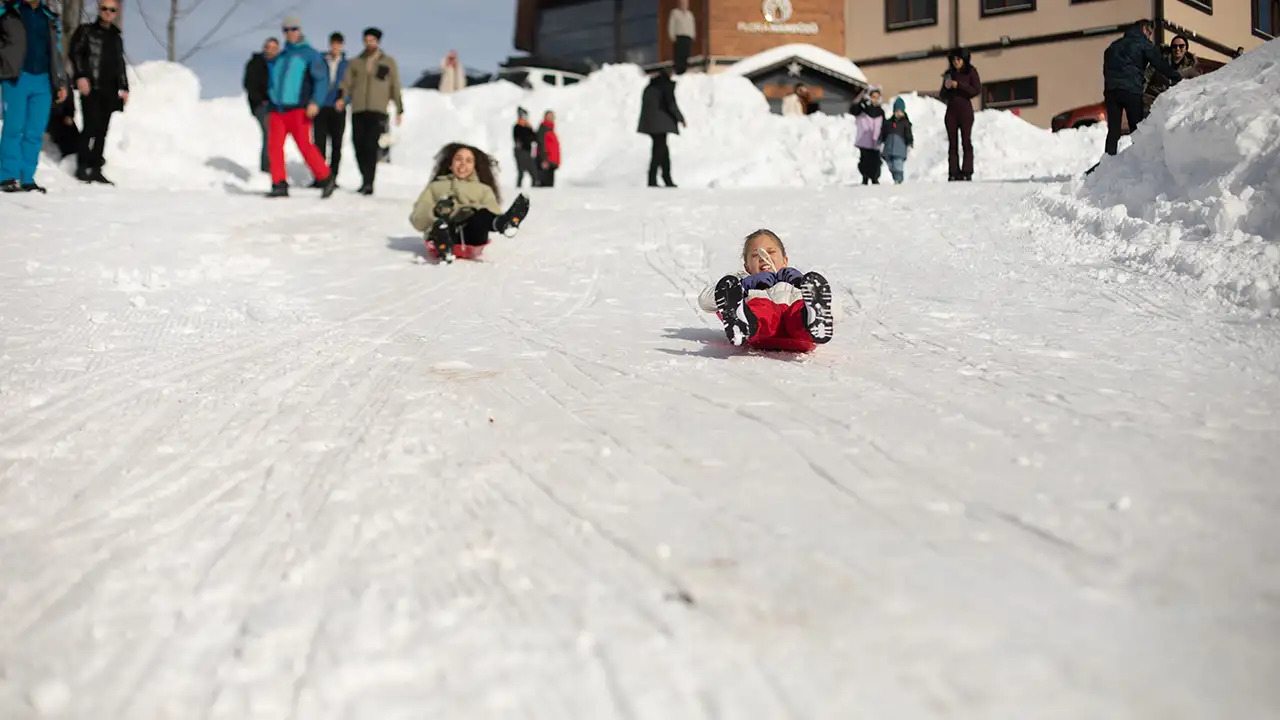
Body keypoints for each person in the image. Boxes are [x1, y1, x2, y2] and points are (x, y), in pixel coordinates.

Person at [698, 229, 834, 349]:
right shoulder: (743, 282)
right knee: (761, 307)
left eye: (770, 252)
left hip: (798, 327)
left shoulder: (799, 282)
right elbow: (705, 301)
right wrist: (743, 285)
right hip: (762, 330)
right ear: (746, 267)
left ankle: (812, 322)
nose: (763, 258)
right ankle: (743, 324)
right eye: (755, 255)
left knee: (799, 310)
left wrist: (802, 284)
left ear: (785, 260)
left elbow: (833, 308)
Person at [408, 143, 530, 263]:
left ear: (474, 166)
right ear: (450, 164)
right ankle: (443, 241)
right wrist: (435, 218)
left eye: (468, 161)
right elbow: (420, 213)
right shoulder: (435, 187)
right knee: (443, 220)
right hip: (444, 231)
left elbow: (493, 211)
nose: (463, 164)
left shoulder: (483, 190)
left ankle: (505, 224)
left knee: (482, 214)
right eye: (458, 159)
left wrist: (472, 210)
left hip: (472, 235)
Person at [0, 0, 69, 193]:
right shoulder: (8, 13)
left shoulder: (49, 17)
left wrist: (60, 82)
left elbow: (57, 51)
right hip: (16, 78)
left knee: (34, 132)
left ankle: (27, 178)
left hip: (43, 81)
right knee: (13, 128)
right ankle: (7, 176)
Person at [265, 14, 334, 198]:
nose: (290, 33)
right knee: (274, 147)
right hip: (277, 109)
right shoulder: (281, 57)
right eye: (286, 30)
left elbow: (321, 80)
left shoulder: (310, 54)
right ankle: (279, 184)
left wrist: (316, 102)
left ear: (300, 30)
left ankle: (326, 177)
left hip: (298, 109)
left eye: (293, 29)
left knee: (305, 145)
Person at [1099, 20, 1181, 160]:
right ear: (1144, 29)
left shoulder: (1114, 46)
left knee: (1114, 131)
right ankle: (1139, 160)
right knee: (1136, 129)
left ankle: (1108, 160)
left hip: (1111, 91)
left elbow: (1106, 69)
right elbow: (1158, 63)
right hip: (1131, 91)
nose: (1149, 36)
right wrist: (1176, 77)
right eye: (1149, 33)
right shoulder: (1142, 43)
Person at [339, 26, 403, 195]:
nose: (369, 43)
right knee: (358, 144)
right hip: (359, 108)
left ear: (378, 42)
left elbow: (395, 85)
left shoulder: (388, 62)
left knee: (370, 146)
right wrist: (341, 98)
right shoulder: (356, 62)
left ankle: (369, 182)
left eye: (372, 40)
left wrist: (399, 108)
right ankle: (364, 178)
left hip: (377, 109)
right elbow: (346, 83)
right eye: (366, 41)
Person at [69, 0, 127, 185]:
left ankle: (95, 169)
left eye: (112, 10)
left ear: (116, 13)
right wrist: (80, 76)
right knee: (90, 127)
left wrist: (124, 87)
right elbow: (75, 53)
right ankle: (81, 167)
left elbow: (120, 64)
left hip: (110, 89)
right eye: (105, 9)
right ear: (99, 9)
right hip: (91, 87)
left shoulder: (116, 37)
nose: (108, 12)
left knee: (102, 130)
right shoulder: (86, 31)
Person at [637, 68, 685, 188]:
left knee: (662, 149)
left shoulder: (650, 87)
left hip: (651, 122)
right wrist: (680, 118)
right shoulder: (665, 86)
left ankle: (665, 177)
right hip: (661, 122)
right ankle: (654, 178)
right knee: (659, 151)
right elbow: (671, 104)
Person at [312, 31, 348, 186]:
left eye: (338, 44)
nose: (335, 47)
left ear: (342, 46)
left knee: (336, 144)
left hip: (337, 108)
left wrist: (345, 100)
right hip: (321, 106)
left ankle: (333, 177)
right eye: (333, 44)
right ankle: (320, 176)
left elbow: (351, 86)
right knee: (319, 143)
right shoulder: (320, 61)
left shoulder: (347, 64)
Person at [940, 48, 979, 182]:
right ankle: (953, 172)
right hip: (951, 112)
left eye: (958, 59)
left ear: (964, 60)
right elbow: (942, 95)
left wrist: (959, 85)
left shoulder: (971, 72)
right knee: (953, 143)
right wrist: (946, 88)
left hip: (965, 111)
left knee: (966, 141)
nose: (956, 62)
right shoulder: (949, 74)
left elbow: (976, 90)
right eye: (954, 60)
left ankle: (967, 171)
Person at [243, 37, 279, 174]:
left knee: (276, 134)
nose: (271, 51)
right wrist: (260, 99)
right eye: (268, 47)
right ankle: (266, 168)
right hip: (261, 105)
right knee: (270, 132)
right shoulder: (255, 63)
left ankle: (276, 165)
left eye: (274, 48)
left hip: (277, 105)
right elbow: (249, 84)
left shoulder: (280, 64)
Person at [1142, 33, 1199, 113]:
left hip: (1174, 104)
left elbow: (1200, 86)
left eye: (1181, 46)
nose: (1177, 49)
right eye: (1174, 46)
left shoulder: (1190, 69)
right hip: (1152, 99)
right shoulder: (1159, 61)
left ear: (1186, 49)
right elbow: (1145, 78)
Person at [852, 87, 884, 185]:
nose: (875, 99)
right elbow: (853, 110)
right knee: (865, 160)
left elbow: (884, 125)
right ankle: (865, 177)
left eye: (877, 97)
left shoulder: (881, 111)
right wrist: (861, 100)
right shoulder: (863, 109)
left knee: (876, 162)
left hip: (876, 141)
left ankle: (875, 178)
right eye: (873, 97)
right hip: (864, 140)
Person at [879, 97, 913, 184]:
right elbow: (883, 133)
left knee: (898, 165)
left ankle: (899, 180)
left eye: (900, 111)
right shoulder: (888, 123)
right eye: (897, 111)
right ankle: (896, 178)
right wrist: (880, 141)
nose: (898, 113)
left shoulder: (905, 123)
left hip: (899, 149)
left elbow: (908, 134)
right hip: (888, 148)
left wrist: (910, 143)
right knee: (891, 165)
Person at [668, 0, 695, 75]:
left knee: (686, 54)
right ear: (679, 4)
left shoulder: (690, 14)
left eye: (686, 4)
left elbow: (692, 25)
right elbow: (671, 25)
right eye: (683, 3)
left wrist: (692, 35)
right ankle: (678, 71)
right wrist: (672, 35)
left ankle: (684, 70)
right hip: (679, 36)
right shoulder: (675, 13)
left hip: (687, 37)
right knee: (678, 54)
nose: (684, 5)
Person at [512, 107, 537, 187]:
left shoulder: (527, 127)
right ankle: (518, 188)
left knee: (533, 173)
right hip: (521, 152)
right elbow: (520, 139)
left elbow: (534, 138)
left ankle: (534, 188)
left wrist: (529, 128)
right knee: (521, 172)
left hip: (527, 151)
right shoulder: (517, 127)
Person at [535, 110, 560, 187]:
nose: (551, 118)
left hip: (551, 162)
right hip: (546, 162)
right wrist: (544, 160)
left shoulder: (550, 129)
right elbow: (541, 144)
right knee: (545, 187)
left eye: (552, 116)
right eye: (549, 116)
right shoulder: (543, 129)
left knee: (549, 187)